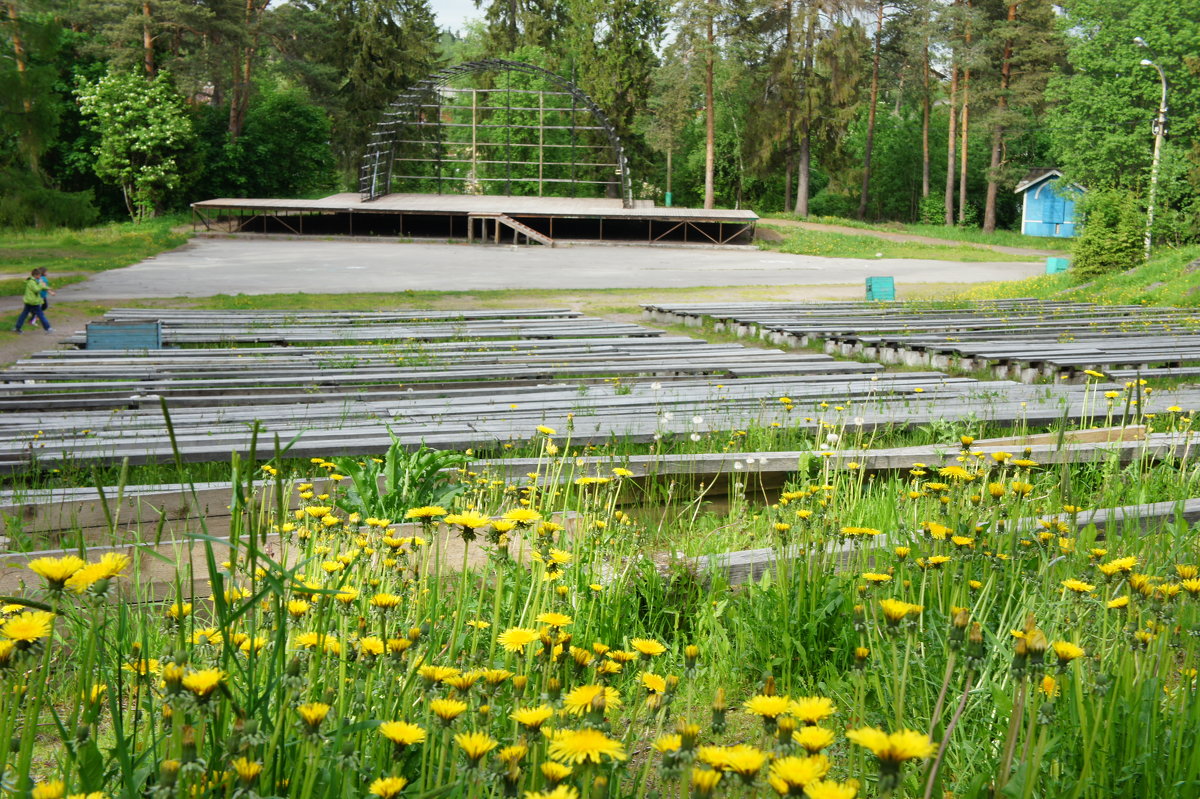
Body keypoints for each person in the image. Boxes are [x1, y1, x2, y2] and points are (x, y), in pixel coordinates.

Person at [14, 269, 52, 334]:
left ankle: (18, 327)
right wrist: (40, 284)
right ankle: (48, 328)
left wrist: (47, 288)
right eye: (39, 275)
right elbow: (36, 289)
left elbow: (39, 287)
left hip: (30, 301)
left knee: (24, 314)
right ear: (35, 275)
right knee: (40, 314)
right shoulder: (31, 281)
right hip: (33, 301)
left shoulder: (34, 281)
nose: (40, 276)